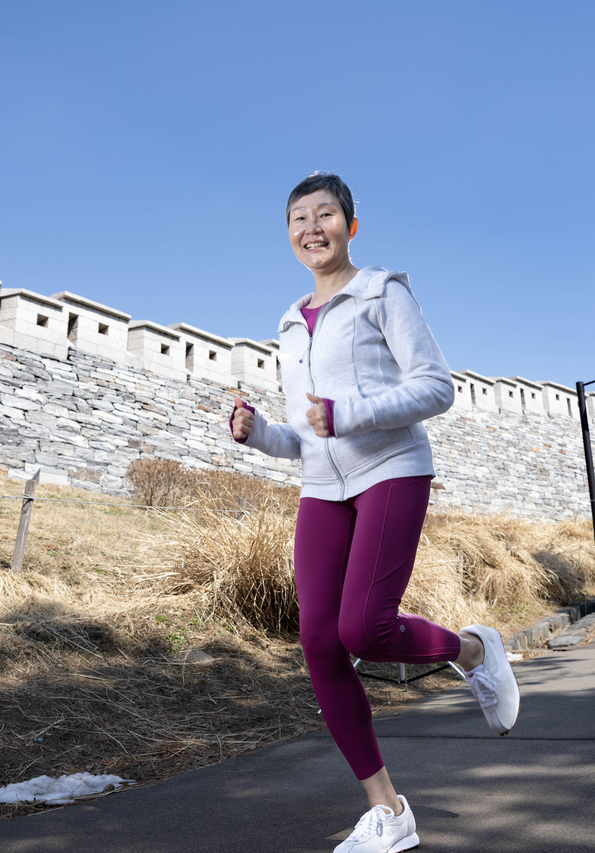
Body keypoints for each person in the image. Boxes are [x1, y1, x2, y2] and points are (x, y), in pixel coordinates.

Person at [229, 172, 519, 853]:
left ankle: (474, 649)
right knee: (321, 644)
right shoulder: (287, 324)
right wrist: (256, 431)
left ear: (350, 225)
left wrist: (350, 413)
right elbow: (306, 435)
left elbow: (436, 387)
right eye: (298, 218)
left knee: (363, 627)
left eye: (324, 214)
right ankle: (388, 811)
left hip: (392, 470)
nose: (311, 227)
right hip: (321, 488)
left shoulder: (382, 292)